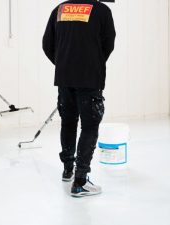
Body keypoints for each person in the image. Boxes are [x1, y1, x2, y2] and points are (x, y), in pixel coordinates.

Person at [43, 0, 116, 197]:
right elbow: (109, 42)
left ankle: (68, 169)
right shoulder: (101, 10)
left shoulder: (60, 9)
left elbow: (47, 44)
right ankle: (80, 181)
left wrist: (64, 63)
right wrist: (93, 61)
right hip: (89, 78)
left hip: (65, 78)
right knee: (90, 126)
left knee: (68, 122)